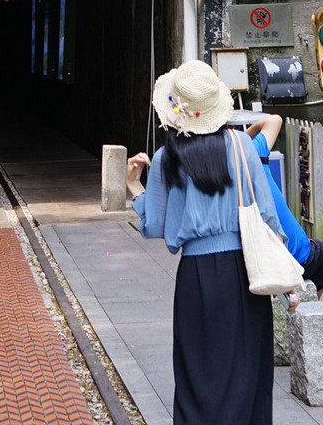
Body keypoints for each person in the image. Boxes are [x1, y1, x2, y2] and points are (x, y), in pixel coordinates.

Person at [126, 60, 294, 425]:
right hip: (245, 272)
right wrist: (289, 284)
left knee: (197, 370)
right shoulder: (241, 147)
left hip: (197, 275)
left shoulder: (167, 158)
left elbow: (154, 225)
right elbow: (267, 216)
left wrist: (135, 186)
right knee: (248, 368)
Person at [245, 113, 323, 295]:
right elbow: (274, 119)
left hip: (245, 261)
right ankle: (311, 309)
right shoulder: (252, 152)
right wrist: (244, 138)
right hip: (292, 258)